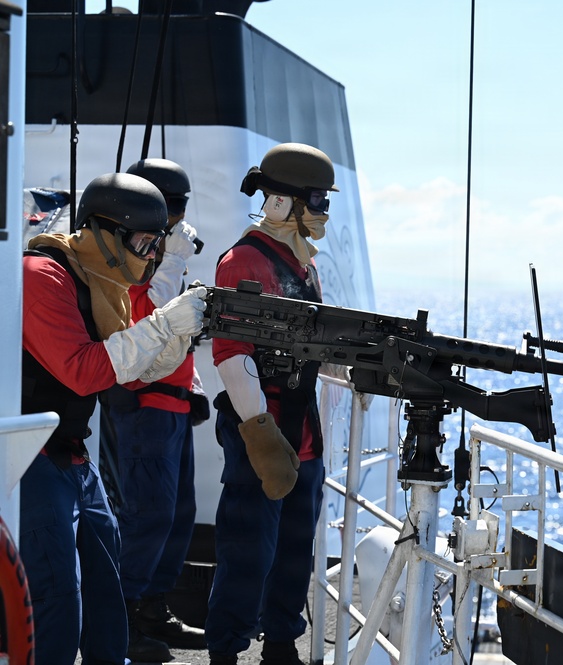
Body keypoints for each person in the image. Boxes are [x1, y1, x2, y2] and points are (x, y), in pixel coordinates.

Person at [20, 172, 207, 665]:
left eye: (156, 244)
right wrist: (166, 323)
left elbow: (131, 369)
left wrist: (178, 335)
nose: (150, 256)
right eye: (145, 242)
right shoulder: (41, 275)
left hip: (70, 457)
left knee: (106, 598)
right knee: (57, 603)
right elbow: (84, 372)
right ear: (105, 232)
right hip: (27, 461)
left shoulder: (102, 283)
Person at [205, 143, 340, 665]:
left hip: (301, 429)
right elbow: (231, 352)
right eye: (314, 200)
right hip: (260, 430)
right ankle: (225, 651)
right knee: (246, 552)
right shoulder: (244, 260)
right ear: (281, 203)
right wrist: (260, 432)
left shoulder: (302, 265)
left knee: (292, 554)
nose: (320, 212)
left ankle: (281, 644)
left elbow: (319, 341)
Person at [101, 158, 208, 662]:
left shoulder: (161, 254)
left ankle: (151, 608)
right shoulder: (135, 256)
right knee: (147, 515)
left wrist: (196, 385)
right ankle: (122, 618)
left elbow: (178, 327)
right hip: (143, 404)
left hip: (171, 402)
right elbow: (148, 318)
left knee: (176, 514)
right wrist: (172, 259)